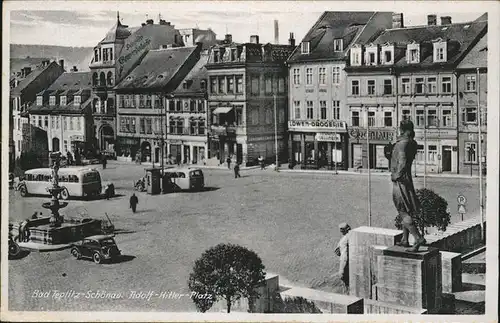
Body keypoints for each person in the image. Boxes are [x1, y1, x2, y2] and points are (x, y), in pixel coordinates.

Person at [390, 120, 426, 252]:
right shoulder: (412, 143)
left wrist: (396, 175)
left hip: (400, 182)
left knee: (403, 210)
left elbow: (403, 161)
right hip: (408, 180)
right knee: (406, 209)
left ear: (402, 129)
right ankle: (405, 239)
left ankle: (418, 238)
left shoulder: (402, 144)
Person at [334, 222, 351, 290]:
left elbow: (344, 257)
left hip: (346, 265)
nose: (340, 231)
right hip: (352, 264)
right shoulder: (350, 236)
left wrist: (342, 271)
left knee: (347, 286)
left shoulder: (345, 240)